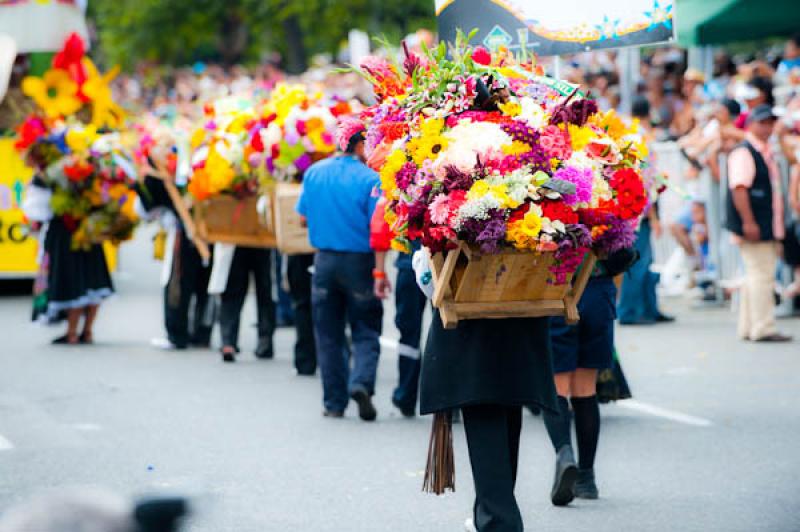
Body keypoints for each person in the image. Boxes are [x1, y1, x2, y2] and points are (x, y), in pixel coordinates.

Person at [417, 254, 559, 531]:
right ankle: (491, 512)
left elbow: (430, 280)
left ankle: (498, 520)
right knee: (506, 413)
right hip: (520, 319)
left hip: (475, 326)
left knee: (488, 417)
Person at [296, 124, 383, 421]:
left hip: (324, 262)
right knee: (366, 329)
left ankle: (334, 403)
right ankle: (360, 382)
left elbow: (301, 219)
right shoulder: (371, 179)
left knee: (328, 333)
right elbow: (378, 227)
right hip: (360, 262)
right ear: (360, 145)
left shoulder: (314, 173)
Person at [542, 248, 638, 506]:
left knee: (557, 387)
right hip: (597, 290)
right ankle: (587, 478)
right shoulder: (607, 207)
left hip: (557, 286)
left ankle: (565, 454)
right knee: (585, 388)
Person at [22, 148, 114, 345]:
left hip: (64, 233)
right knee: (91, 279)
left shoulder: (48, 177)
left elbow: (38, 212)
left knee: (73, 281)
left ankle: (72, 332)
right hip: (89, 228)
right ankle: (87, 331)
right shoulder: (89, 171)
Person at [725, 104, 792, 342]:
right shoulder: (745, 152)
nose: (767, 128)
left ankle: (750, 326)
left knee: (755, 274)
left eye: (770, 123)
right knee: (760, 275)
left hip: (763, 223)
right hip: (755, 223)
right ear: (751, 123)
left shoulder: (762, 151)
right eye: (762, 123)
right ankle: (763, 327)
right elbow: (740, 188)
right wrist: (749, 222)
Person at [137, 176, 213, 351]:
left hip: (195, 233)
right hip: (194, 232)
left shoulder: (183, 166)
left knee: (182, 283)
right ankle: (195, 332)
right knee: (193, 284)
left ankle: (183, 334)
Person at [370, 198, 428, 417]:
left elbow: (380, 226)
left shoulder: (399, 173)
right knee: (449, 331)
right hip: (446, 264)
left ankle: (406, 396)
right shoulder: (458, 168)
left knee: (409, 333)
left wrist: (379, 272)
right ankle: (451, 401)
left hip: (410, 266)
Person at [618, 97, 673, 325]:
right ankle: (631, 311)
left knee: (642, 259)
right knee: (639, 260)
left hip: (631, 207)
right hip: (639, 210)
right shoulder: (641, 139)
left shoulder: (626, 133)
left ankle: (647, 308)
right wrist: (653, 216)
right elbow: (646, 180)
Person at [208, 243, 276, 362]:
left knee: (264, 292)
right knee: (233, 291)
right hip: (234, 241)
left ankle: (265, 341)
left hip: (262, 240)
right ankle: (229, 342)